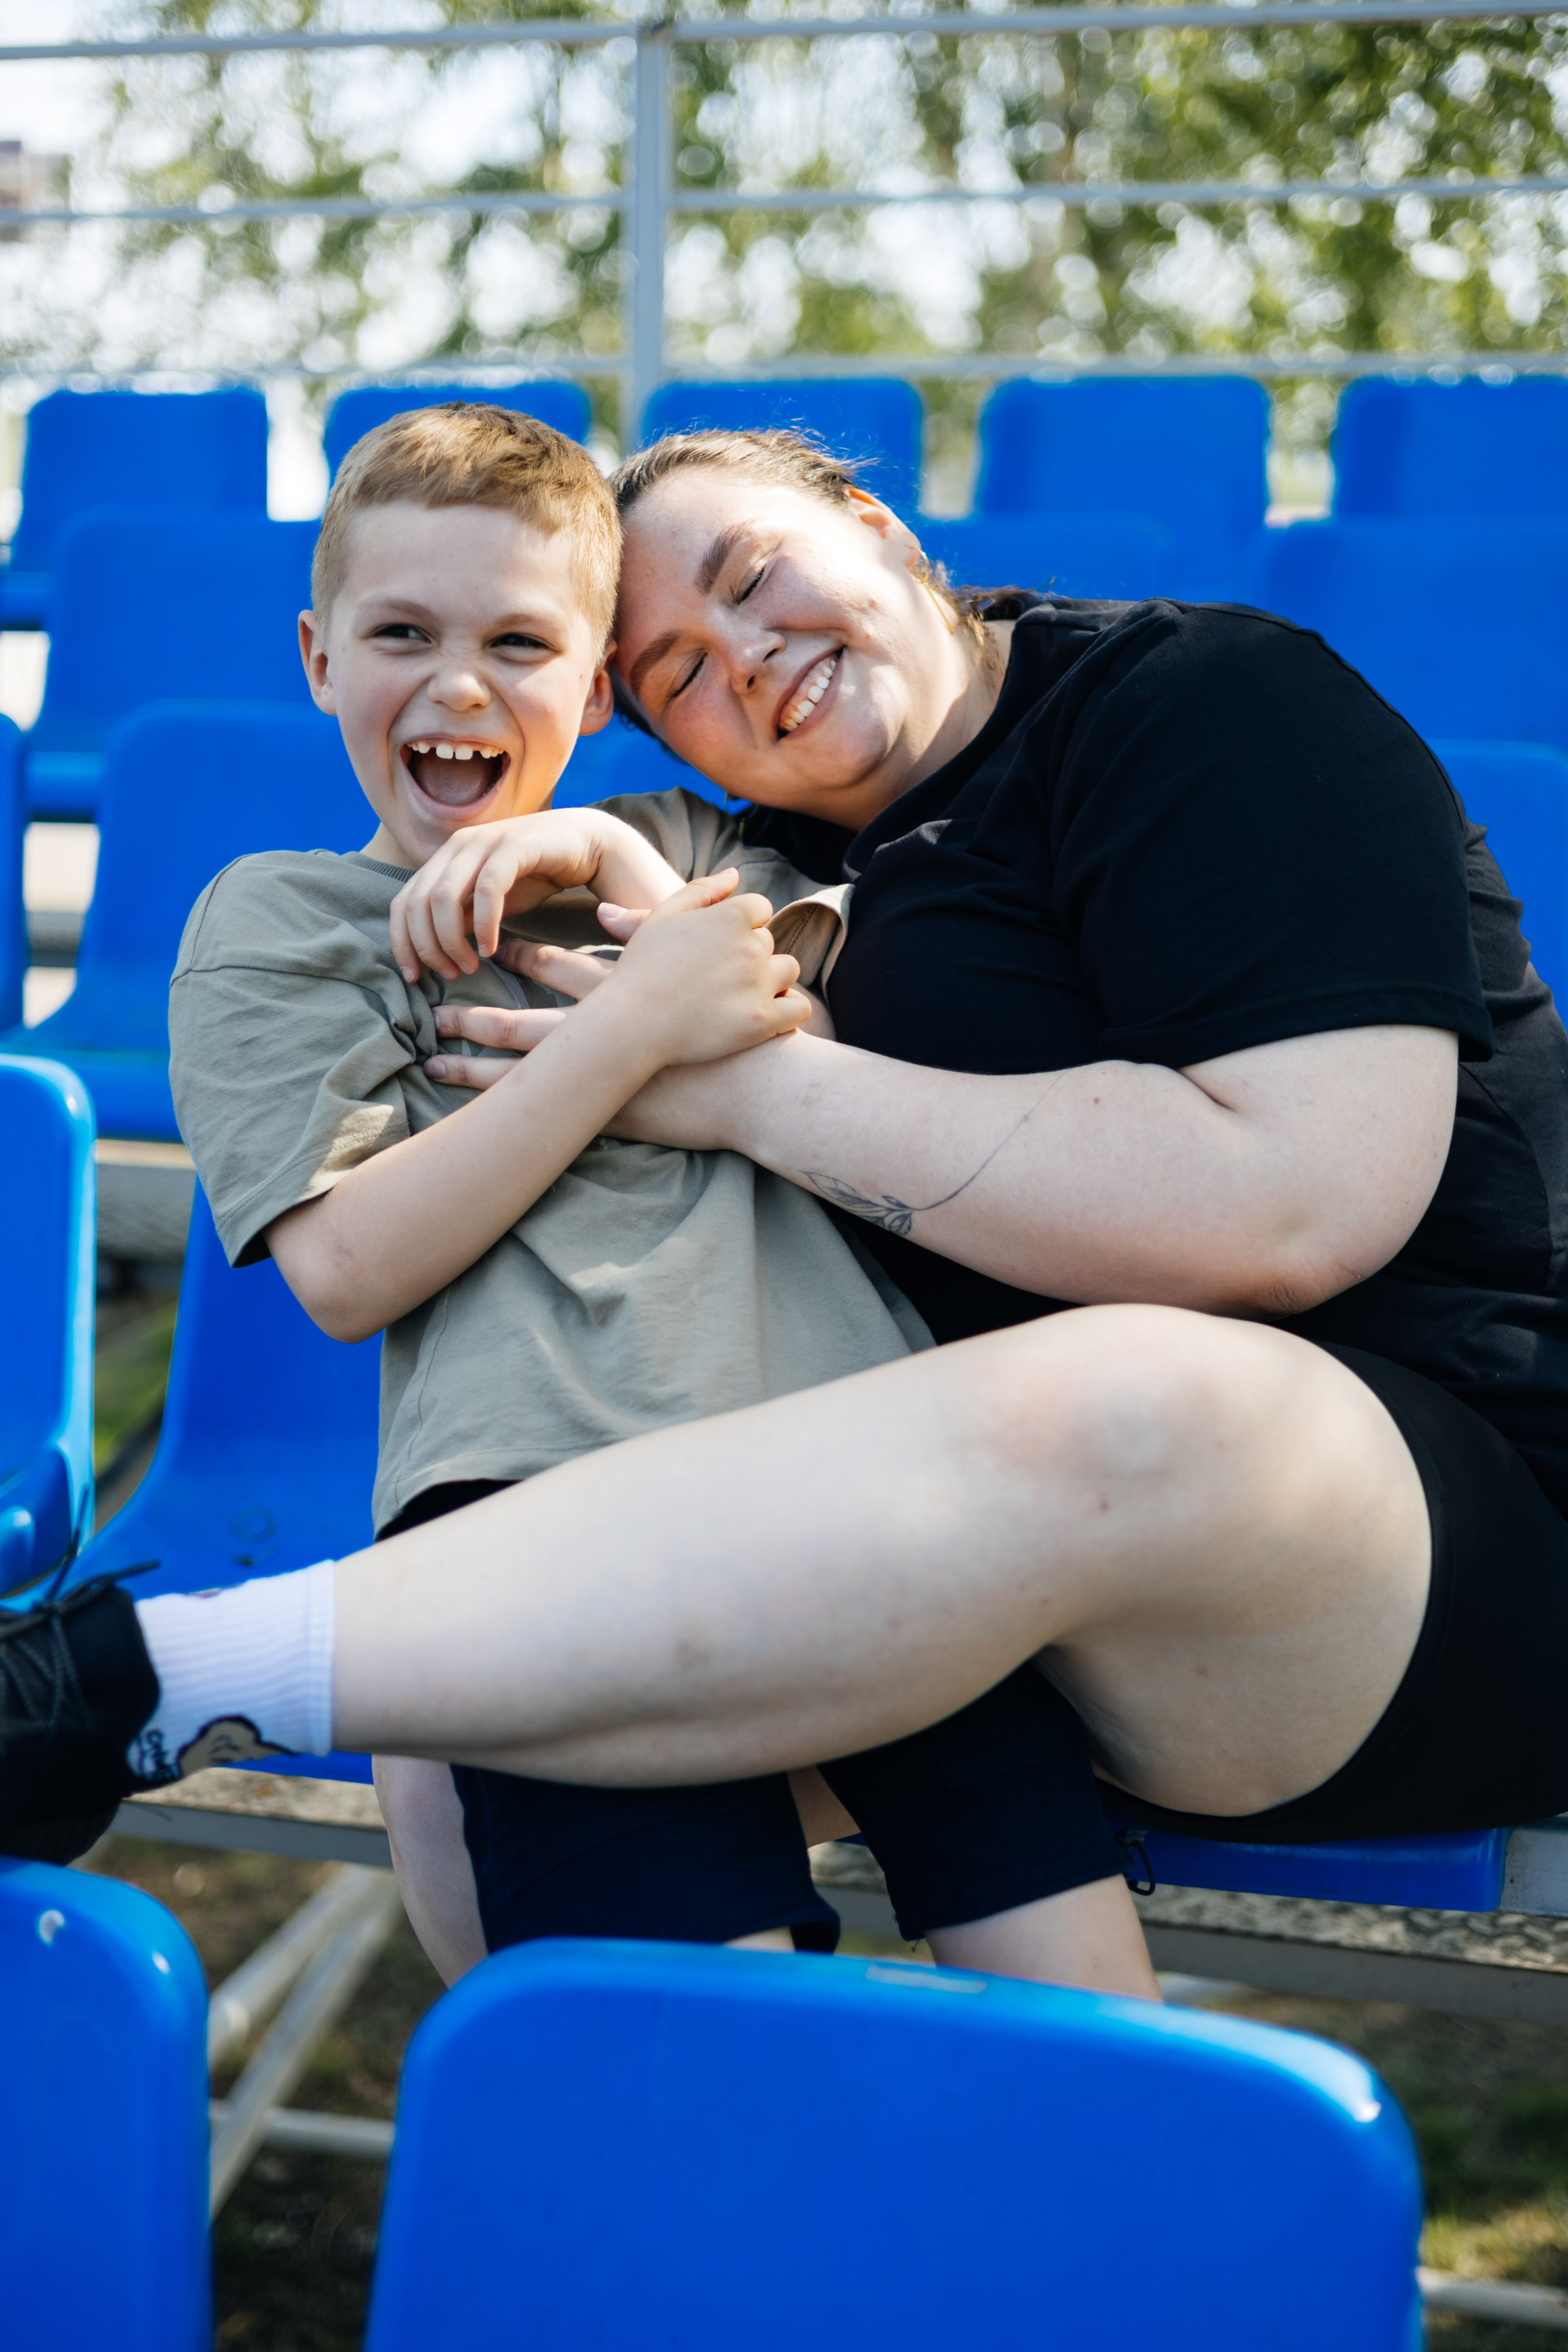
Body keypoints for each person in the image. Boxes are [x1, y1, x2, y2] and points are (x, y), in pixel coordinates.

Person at [7, 422, 1567, 2003]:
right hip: (941, 1555)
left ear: (872, 519)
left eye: (756, 576)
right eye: (676, 668)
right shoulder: (771, 845)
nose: (745, 659)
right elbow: (386, 1232)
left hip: (1397, 1554)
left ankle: (148, 1675)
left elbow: (1299, 1210)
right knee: (501, 1745)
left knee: (1146, 1400)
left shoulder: (1203, 699)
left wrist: (735, 1089)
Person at [144, 403, 1147, 1992]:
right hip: (545, 1539)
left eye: (519, 642)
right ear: (320, 657)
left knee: (1080, 2014)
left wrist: (618, 878)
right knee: (699, 2046)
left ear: (598, 684)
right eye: (402, 633)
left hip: (880, 1488)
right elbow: (344, 1269)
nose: (458, 685)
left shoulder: (694, 848)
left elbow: (812, 1034)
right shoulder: (281, 921)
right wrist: (625, 1036)